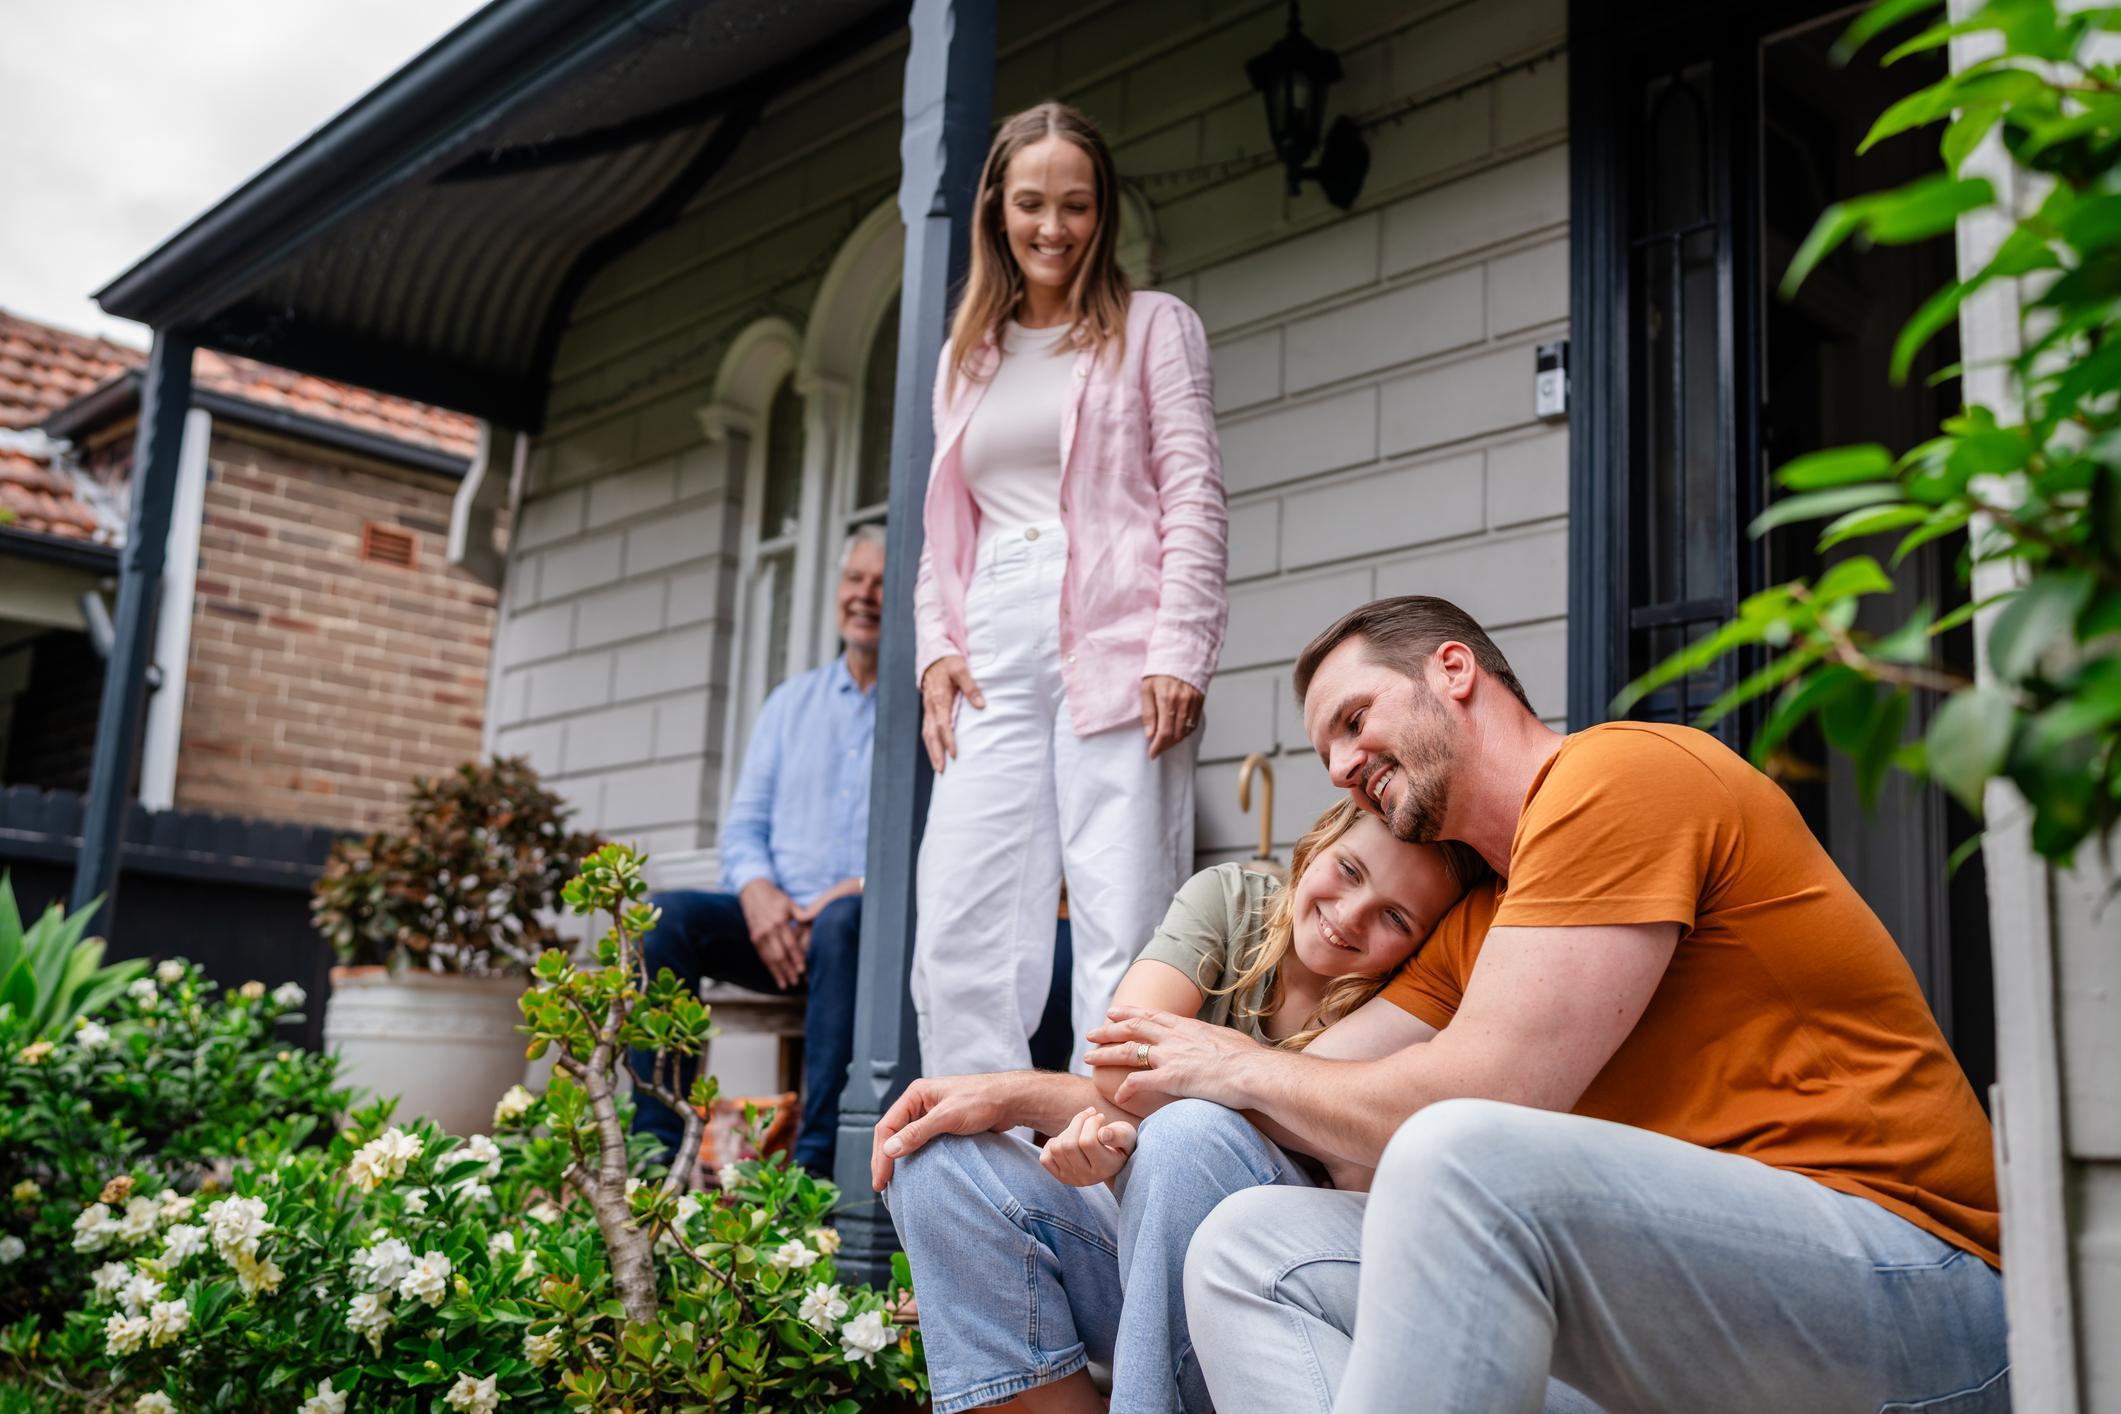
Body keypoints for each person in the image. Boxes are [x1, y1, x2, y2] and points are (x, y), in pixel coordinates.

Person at [1080, 596, 2007, 1414]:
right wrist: (1046, 1100)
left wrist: (1235, 1062)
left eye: (1355, 719)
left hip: (1914, 1281)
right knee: (1250, 1248)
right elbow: (1305, 1091)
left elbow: (1477, 1096)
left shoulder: (1619, 776)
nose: (1340, 765)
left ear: (1453, 670)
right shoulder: (1484, 917)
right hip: (1693, 1300)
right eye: (1326, 748)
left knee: (1455, 1150)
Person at [874, 801, 1481, 1414]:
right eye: (1349, 870)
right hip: (1149, 1273)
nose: (1349, 917)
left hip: (1269, 1299)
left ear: (1422, 942)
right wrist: (1136, 1130)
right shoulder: (1234, 901)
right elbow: (1117, 1065)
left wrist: (1039, 1101)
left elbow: (1344, 1169)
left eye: (1396, 918)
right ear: (1321, 841)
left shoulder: (1409, 997)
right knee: (936, 1158)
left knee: (1191, 1136)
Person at [911, 100, 1227, 1080]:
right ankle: (974, 1183)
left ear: (1104, 212)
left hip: (1122, 641)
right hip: (993, 646)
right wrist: (934, 648)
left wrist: (1181, 649)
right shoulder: (969, 356)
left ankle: (1109, 1178)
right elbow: (944, 529)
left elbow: (1192, 489)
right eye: (1034, 204)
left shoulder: (1154, 328)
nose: (1054, 228)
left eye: (1077, 205)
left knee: (1121, 918)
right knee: (959, 923)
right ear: (997, 208)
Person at [627, 528, 885, 1177]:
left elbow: (934, 843)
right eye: (855, 579)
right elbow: (742, 829)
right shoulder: (787, 704)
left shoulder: (918, 710)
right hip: (770, 930)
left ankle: (814, 1169)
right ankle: (656, 1151)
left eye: (881, 584)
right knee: (662, 918)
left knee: (841, 922)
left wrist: (855, 886)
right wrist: (758, 893)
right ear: (837, 591)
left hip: (860, 936)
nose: (865, 596)